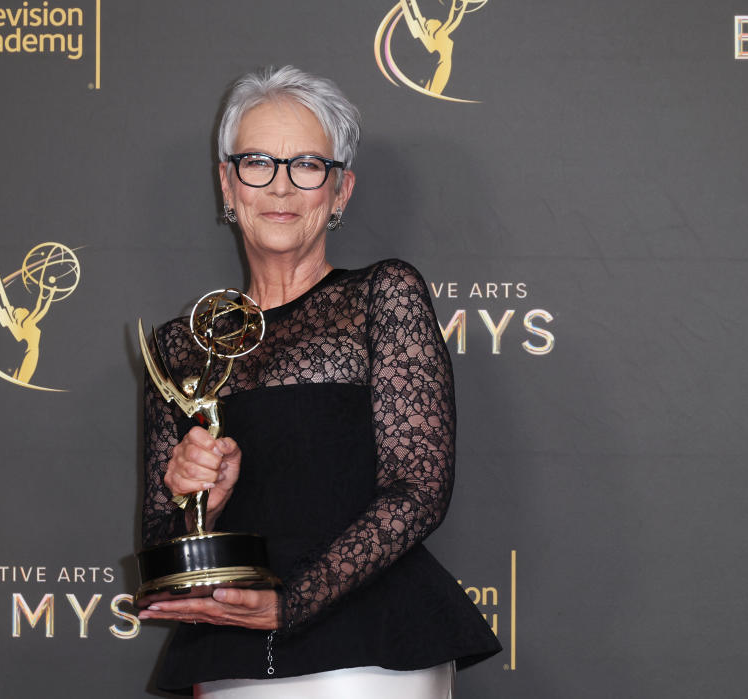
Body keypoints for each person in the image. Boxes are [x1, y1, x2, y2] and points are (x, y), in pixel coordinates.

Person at [138, 65, 501, 697]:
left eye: (308, 165)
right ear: (227, 183)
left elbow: (418, 490)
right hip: (230, 653)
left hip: (370, 645)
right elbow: (162, 544)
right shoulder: (180, 346)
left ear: (340, 191)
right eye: (257, 162)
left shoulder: (381, 297)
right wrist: (202, 500)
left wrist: (293, 600)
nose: (280, 186)